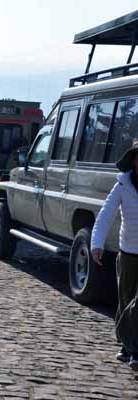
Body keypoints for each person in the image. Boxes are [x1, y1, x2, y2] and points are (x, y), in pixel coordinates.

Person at [91, 138, 138, 370]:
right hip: (128, 252)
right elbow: (105, 214)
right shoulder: (122, 185)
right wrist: (96, 243)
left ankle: (135, 350)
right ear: (134, 160)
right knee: (126, 299)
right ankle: (127, 345)